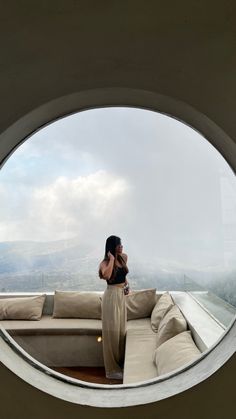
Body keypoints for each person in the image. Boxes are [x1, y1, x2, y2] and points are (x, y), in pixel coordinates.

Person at [99, 235, 129, 380]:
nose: (122, 246)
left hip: (121, 296)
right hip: (111, 297)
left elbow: (122, 274)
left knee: (121, 330)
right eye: (118, 244)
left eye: (121, 243)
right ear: (112, 247)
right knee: (111, 333)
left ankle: (121, 363)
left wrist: (127, 284)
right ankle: (111, 370)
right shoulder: (104, 263)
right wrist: (111, 259)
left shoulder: (123, 257)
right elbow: (107, 275)